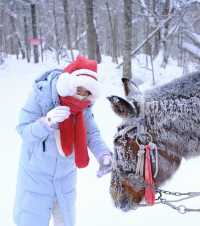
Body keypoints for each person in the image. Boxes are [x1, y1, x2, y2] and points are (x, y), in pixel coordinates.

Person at [13, 55, 113, 226]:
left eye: (86, 93)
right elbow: (23, 130)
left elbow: (92, 134)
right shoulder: (41, 96)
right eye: (79, 89)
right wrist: (46, 122)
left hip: (65, 178)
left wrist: (104, 155)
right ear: (69, 83)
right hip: (35, 178)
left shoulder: (83, 108)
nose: (81, 97)